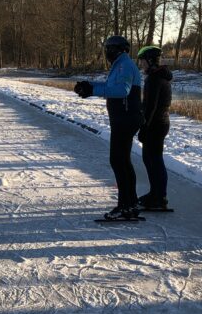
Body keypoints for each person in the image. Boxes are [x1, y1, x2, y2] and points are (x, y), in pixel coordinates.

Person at [74, 35, 143, 220]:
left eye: (108, 49)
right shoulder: (120, 64)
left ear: (117, 49)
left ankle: (125, 206)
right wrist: (89, 86)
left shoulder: (124, 65)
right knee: (122, 161)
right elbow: (109, 86)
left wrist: (93, 91)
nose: (106, 52)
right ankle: (131, 203)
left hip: (126, 118)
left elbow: (122, 90)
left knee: (118, 160)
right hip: (122, 117)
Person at [136, 45, 173, 211]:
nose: (141, 64)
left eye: (142, 61)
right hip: (160, 123)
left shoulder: (154, 79)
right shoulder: (159, 76)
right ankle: (156, 193)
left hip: (155, 124)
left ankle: (159, 197)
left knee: (154, 160)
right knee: (151, 159)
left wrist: (144, 127)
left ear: (150, 61)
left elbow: (150, 106)